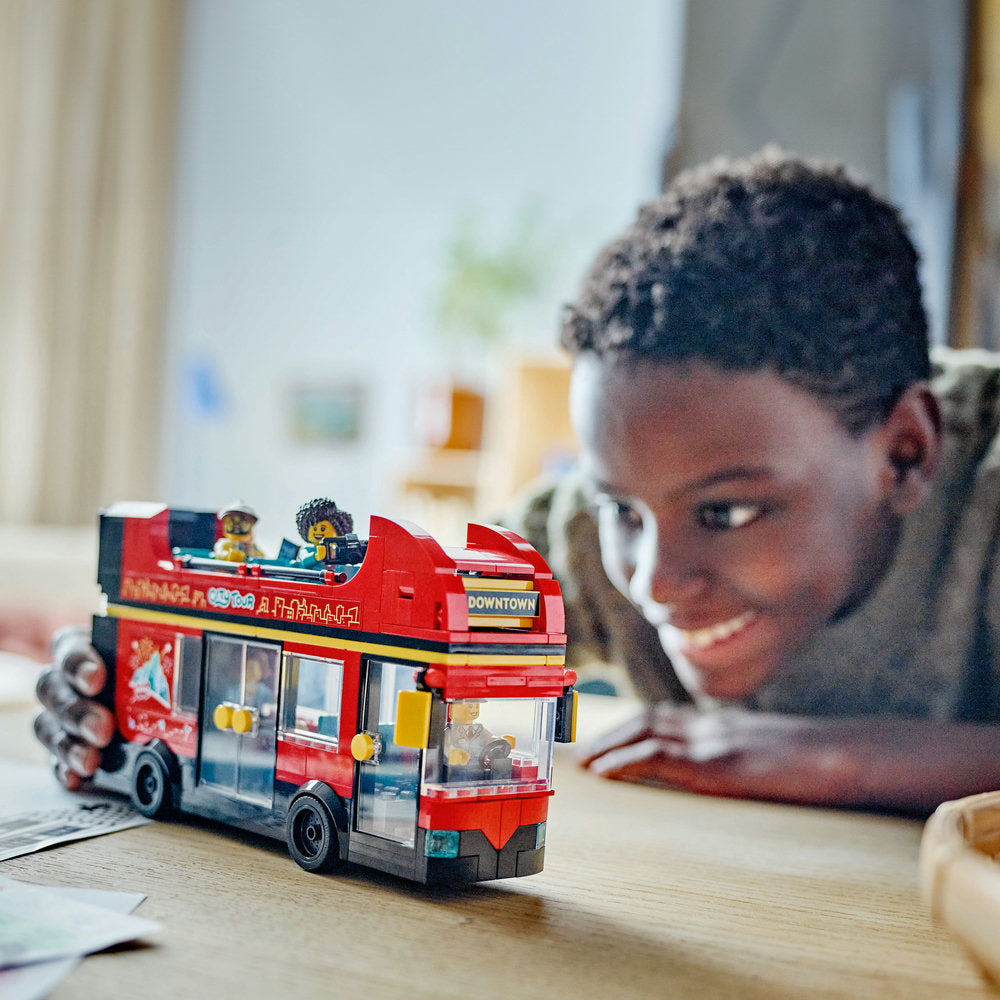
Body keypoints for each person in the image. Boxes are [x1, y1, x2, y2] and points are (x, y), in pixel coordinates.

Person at [34, 147, 1000, 813]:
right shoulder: (586, 538)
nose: (654, 580)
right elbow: (373, 621)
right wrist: (152, 680)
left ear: (905, 454)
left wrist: (826, 754)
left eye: (727, 510)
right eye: (621, 506)